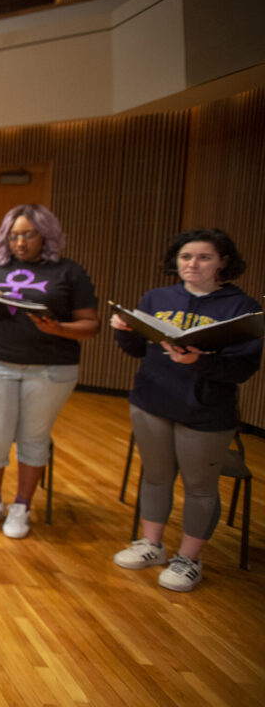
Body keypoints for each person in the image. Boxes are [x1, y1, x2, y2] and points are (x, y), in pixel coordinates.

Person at [110, 228, 261, 592]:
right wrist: (124, 330)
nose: (192, 264)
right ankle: (152, 544)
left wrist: (197, 362)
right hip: (152, 402)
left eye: (203, 257)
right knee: (156, 476)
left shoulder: (241, 307)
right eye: (185, 257)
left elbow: (243, 368)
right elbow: (137, 350)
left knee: (199, 487)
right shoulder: (157, 296)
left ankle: (189, 559)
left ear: (223, 262)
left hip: (206, 411)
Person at [0, 204, 98, 539]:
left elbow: (91, 325)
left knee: (33, 437)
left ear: (45, 234)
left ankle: (22, 506)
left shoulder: (69, 272)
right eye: (14, 235)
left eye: (28, 235)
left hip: (49, 368)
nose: (20, 242)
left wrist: (58, 329)